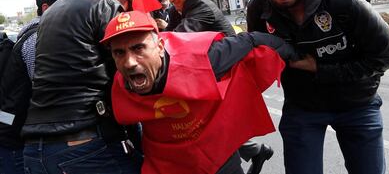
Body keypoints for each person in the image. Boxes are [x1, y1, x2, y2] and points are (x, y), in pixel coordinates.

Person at [246, 0, 389, 173]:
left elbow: (383, 57)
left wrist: (319, 69)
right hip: (302, 106)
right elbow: (257, 56)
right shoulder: (260, 9)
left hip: (357, 104)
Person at [101, 10, 298, 174]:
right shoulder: (119, 85)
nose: (129, 62)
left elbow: (251, 40)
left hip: (216, 154)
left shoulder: (206, 59)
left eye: (139, 48)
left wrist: (295, 57)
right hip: (166, 163)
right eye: (119, 52)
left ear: (160, 47)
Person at [20, 0, 142, 174]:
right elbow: (126, 69)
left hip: (35, 148)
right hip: (83, 144)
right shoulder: (106, 5)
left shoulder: (50, 14)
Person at [164, 0, 274, 174]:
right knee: (213, 131)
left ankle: (252, 154)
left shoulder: (199, 5)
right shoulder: (177, 10)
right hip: (206, 77)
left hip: (227, 77)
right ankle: (256, 151)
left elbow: (175, 41)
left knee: (214, 135)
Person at [0, 0, 69, 174]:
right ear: (46, 8)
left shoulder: (38, 33)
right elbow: (45, 89)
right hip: (13, 135)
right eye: (66, 5)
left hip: (13, 125)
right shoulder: (37, 37)